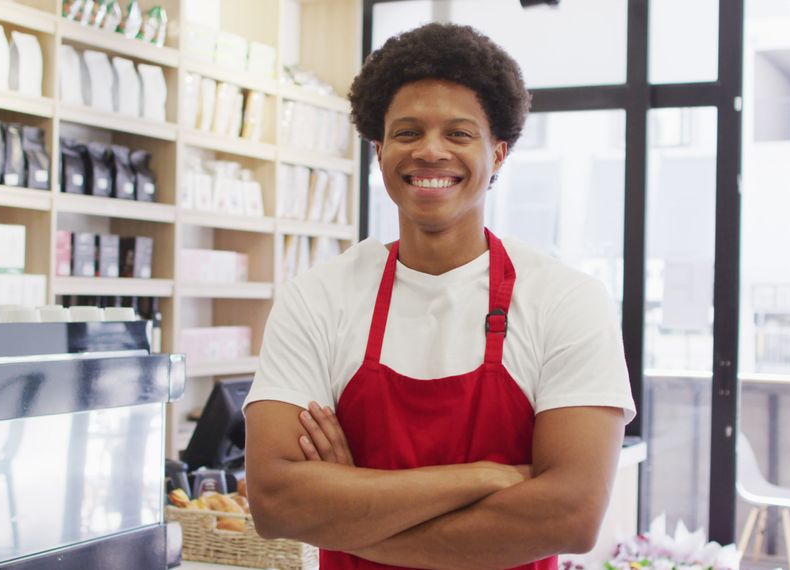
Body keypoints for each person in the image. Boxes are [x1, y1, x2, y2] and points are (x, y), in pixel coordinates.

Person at [243, 23, 636, 569]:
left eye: (458, 133)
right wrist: (483, 479)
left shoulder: (567, 301)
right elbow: (276, 504)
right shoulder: (317, 298)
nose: (430, 151)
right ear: (379, 152)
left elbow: (569, 517)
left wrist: (352, 503)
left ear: (498, 153)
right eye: (406, 133)